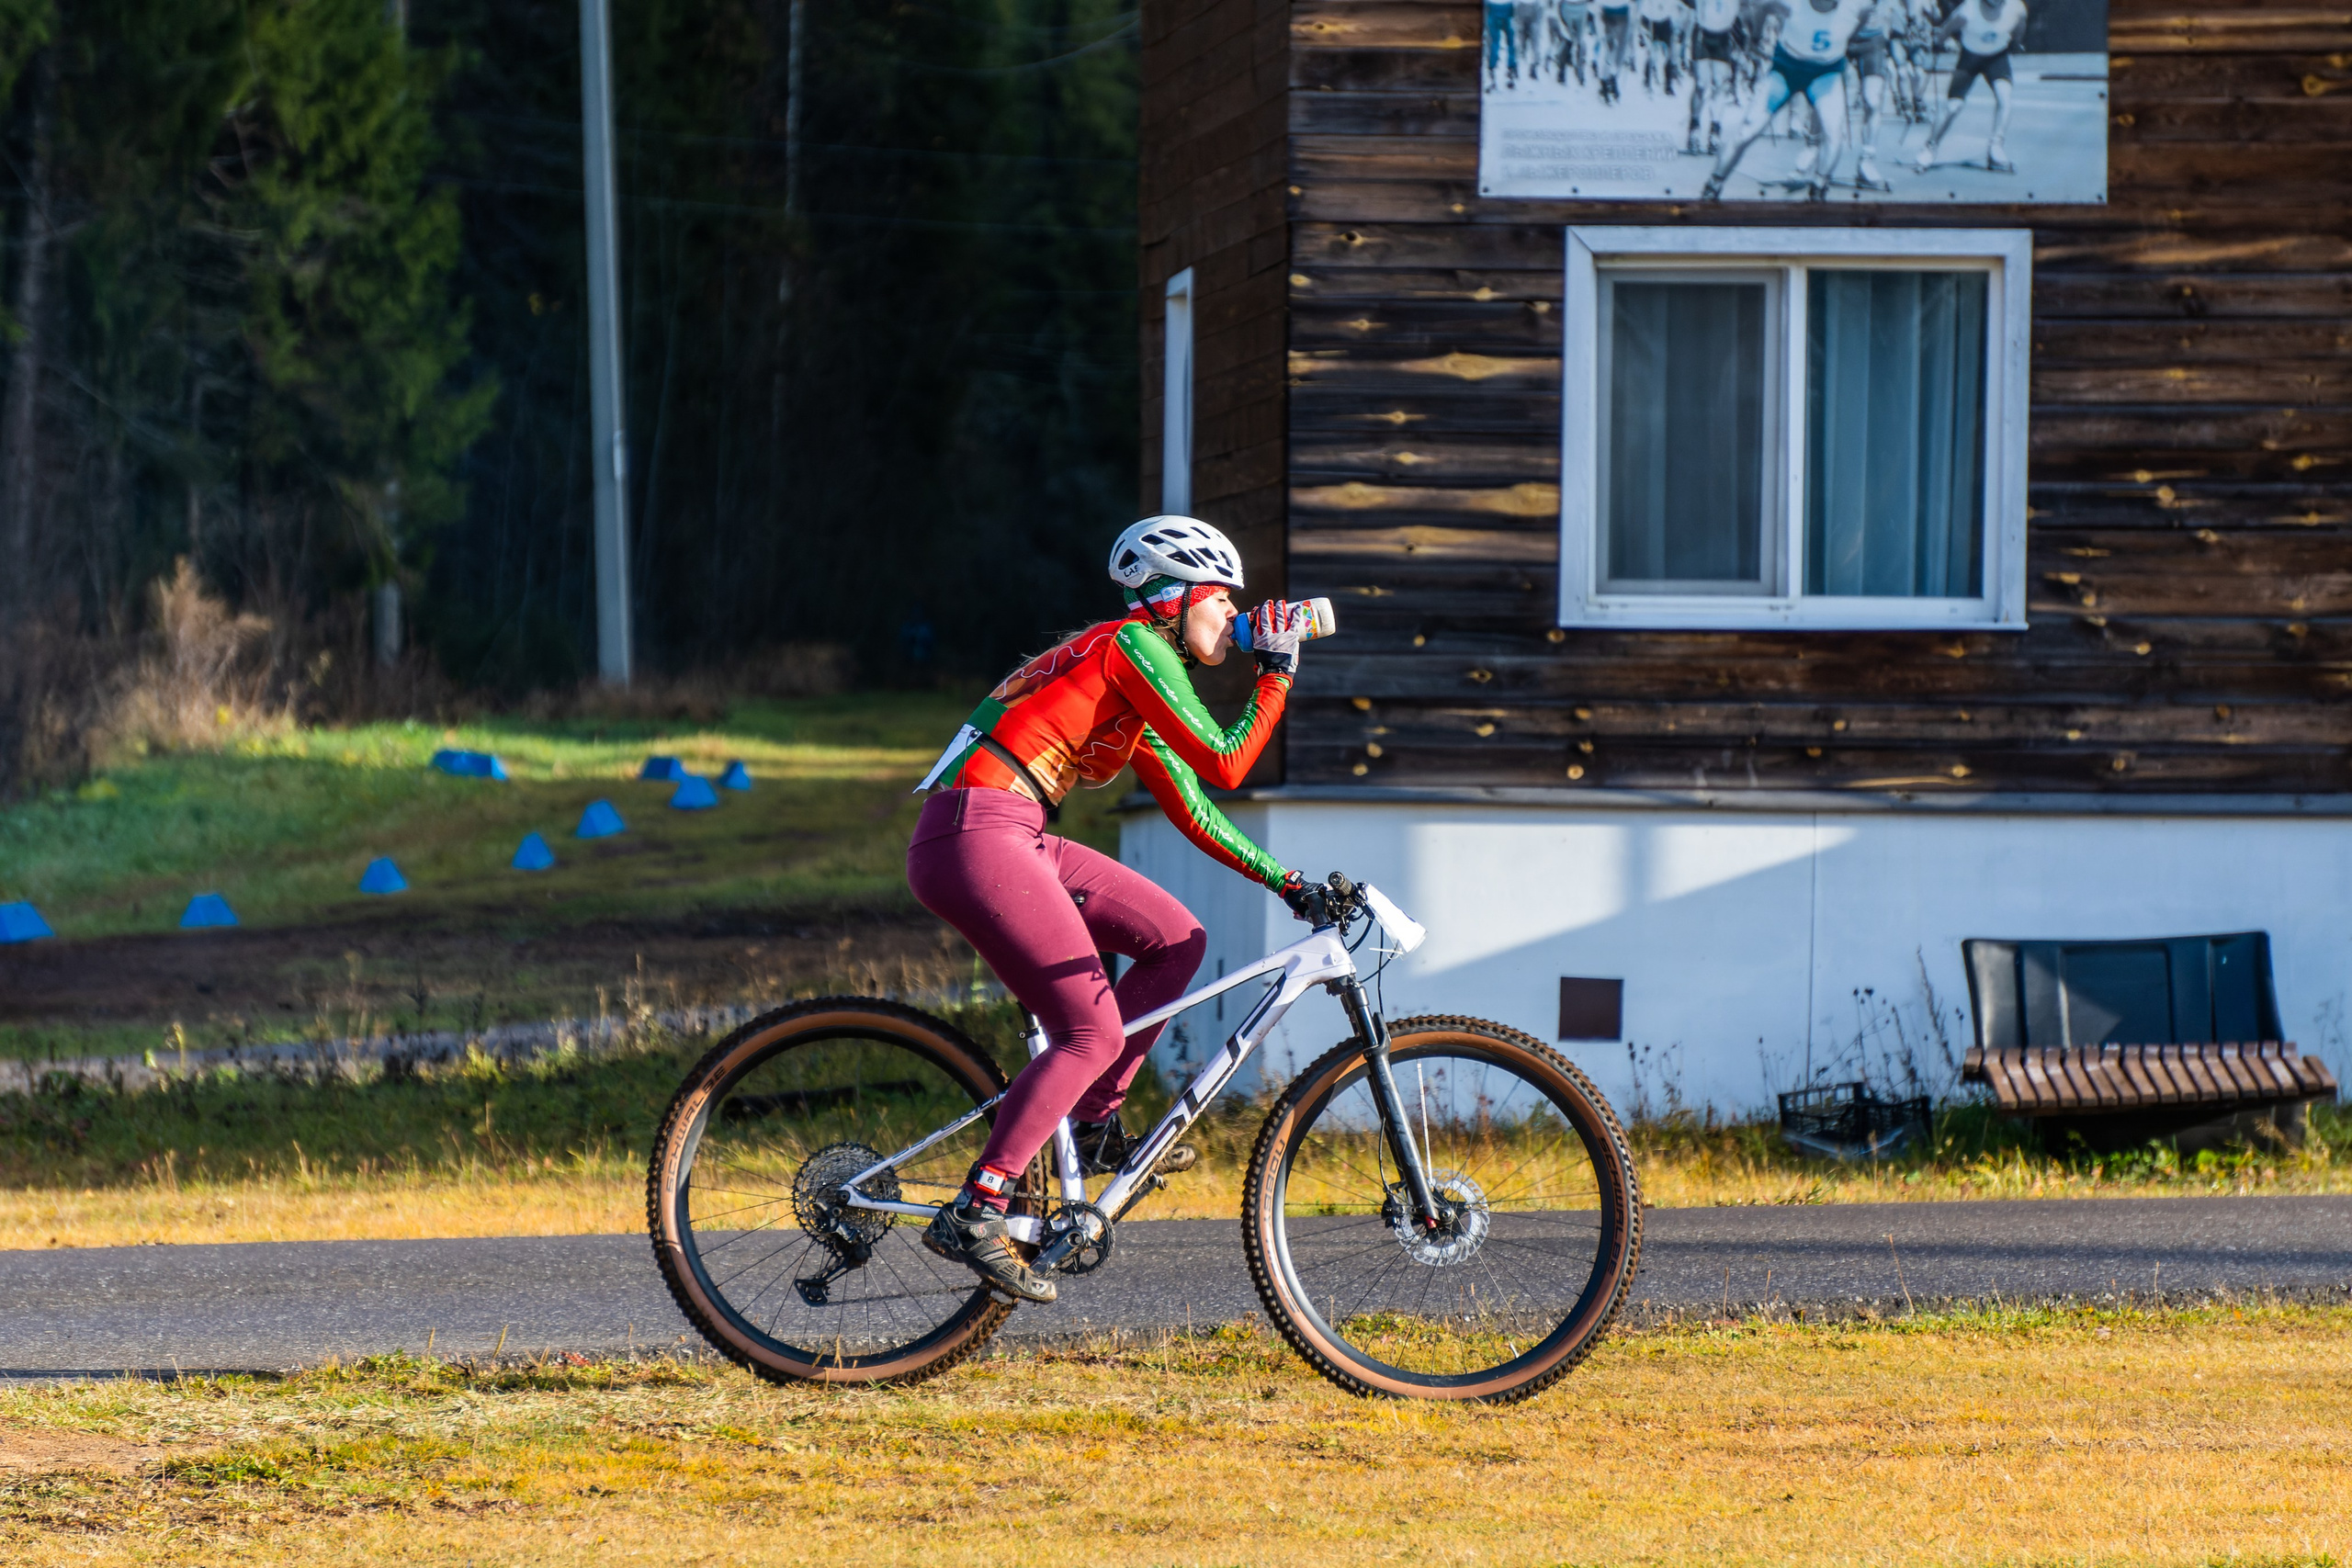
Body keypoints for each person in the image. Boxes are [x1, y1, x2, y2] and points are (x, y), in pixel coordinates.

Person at [908, 516, 1321, 1304]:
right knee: (1090, 1029)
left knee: (1175, 939)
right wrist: (1277, 671)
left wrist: (1287, 880)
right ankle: (980, 1204)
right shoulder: (1134, 648)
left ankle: (1093, 1122)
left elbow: (1198, 809)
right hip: (980, 831)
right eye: (1224, 602)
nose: (1233, 619)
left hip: (1003, 831)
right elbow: (1230, 764)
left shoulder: (1130, 673)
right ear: (1181, 598)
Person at [1700, 0, 1871, 201]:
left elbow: (1863, 18)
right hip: (1786, 69)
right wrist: (1755, 36)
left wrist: (1846, 42)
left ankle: (1819, 187)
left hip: (1826, 72)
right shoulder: (1792, 3)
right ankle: (1714, 183)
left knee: (1834, 132)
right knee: (1749, 129)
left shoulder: (1857, 5)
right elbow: (1763, 5)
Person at [1914, 0, 2027, 172]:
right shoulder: (1967, 10)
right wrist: (1938, 41)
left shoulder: (2017, 8)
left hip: (1997, 56)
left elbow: (2020, 28)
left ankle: (1996, 147)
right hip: (1970, 58)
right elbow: (1947, 28)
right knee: (1953, 107)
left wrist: (2016, 43)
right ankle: (1930, 147)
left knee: (2005, 98)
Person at [1688, 0, 1742, 153]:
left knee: (1720, 84)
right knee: (1701, 85)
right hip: (1703, 33)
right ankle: (1694, 128)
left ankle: (1715, 130)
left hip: (1724, 35)